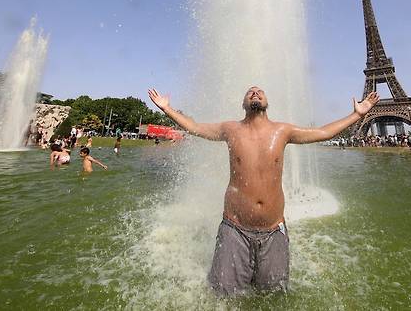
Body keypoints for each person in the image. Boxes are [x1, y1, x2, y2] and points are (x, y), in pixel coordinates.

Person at [148, 86, 380, 295]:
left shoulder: (283, 130)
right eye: (250, 92)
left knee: (273, 295)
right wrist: (167, 109)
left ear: (267, 101)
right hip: (234, 228)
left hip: (273, 231)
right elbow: (195, 127)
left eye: (259, 91)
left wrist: (357, 115)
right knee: (223, 294)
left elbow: (323, 132)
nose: (255, 93)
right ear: (244, 103)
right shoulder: (230, 129)